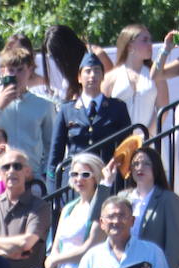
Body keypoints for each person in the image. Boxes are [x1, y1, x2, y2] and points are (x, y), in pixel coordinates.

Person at [0, 48, 58, 181]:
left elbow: (52, 145)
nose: (16, 76)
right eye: (11, 70)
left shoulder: (44, 104)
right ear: (3, 71)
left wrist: (45, 173)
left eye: (20, 70)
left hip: (31, 176)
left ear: (30, 70)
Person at [48, 52, 130, 181]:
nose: (92, 75)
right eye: (88, 71)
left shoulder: (117, 108)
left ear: (103, 76)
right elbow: (55, 154)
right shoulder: (66, 110)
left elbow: (127, 146)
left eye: (97, 71)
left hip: (106, 177)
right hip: (76, 179)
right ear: (79, 78)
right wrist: (53, 185)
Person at [77, 195, 172, 268]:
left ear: (132, 221)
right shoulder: (91, 257)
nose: (116, 221)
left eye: (122, 216)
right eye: (111, 216)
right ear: (101, 223)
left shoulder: (153, 252)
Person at [116, 146, 179, 268]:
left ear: (156, 168)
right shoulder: (122, 197)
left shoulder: (167, 199)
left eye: (146, 163)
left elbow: (173, 245)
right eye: (135, 164)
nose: (139, 167)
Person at [102, 24, 169, 133]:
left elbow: (163, 109)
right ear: (129, 46)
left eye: (150, 40)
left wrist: (146, 135)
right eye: (145, 40)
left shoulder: (156, 75)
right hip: (120, 143)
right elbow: (103, 113)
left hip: (150, 141)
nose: (150, 44)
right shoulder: (111, 77)